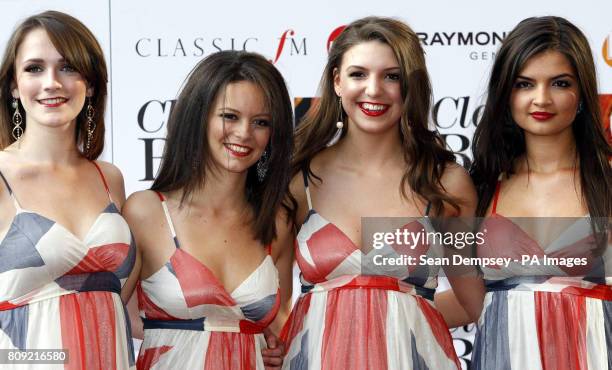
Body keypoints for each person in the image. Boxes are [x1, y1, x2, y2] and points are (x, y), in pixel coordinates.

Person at [279, 16, 483, 370]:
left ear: (411, 87)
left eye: (392, 76)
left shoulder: (446, 182)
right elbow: (276, 307)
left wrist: (400, 316)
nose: (374, 90)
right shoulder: (300, 181)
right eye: (359, 74)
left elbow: (471, 303)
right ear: (337, 81)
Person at [123, 51, 295, 369]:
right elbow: (109, 317)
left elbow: (282, 323)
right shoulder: (146, 212)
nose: (244, 133)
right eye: (230, 116)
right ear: (199, 117)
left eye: (261, 122)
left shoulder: (277, 221)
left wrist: (278, 350)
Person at [470, 16, 612, 369]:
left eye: (560, 83)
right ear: (506, 92)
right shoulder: (481, 187)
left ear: (581, 93)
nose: (541, 99)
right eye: (525, 84)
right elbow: (460, 299)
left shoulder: (607, 180)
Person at [0, 10, 137, 369]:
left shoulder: (110, 179)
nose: (51, 82)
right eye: (34, 68)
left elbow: (135, 305)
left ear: (90, 84)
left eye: (68, 67)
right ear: (13, 85)